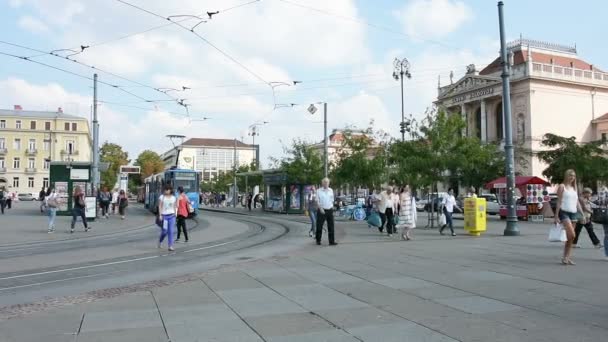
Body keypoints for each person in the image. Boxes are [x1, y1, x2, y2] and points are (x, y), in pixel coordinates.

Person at [555, 169, 584, 265]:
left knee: (570, 238)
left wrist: (582, 214)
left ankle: (566, 258)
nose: (572, 177)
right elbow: (558, 202)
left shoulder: (574, 187)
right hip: (564, 212)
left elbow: (577, 202)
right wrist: (556, 216)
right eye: (570, 175)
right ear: (566, 176)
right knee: (572, 234)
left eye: (574, 176)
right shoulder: (562, 186)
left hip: (574, 213)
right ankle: (565, 257)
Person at [315, 178, 337, 246]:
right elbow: (317, 201)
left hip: (329, 209)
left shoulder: (331, 190)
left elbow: (332, 199)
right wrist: (320, 208)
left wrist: (332, 207)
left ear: (329, 183)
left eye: (327, 182)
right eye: (324, 182)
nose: (326, 183)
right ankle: (318, 240)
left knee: (331, 226)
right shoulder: (318, 191)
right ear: (322, 183)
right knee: (319, 226)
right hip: (322, 210)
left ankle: (331, 241)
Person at [158, 185, 177, 251]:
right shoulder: (162, 197)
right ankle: (160, 241)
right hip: (164, 216)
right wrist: (160, 215)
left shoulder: (174, 198)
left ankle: (170, 246)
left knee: (171, 231)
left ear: (170, 190)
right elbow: (160, 206)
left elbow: (175, 206)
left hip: (172, 216)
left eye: (167, 189)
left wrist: (175, 214)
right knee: (164, 232)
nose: (166, 191)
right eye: (165, 189)